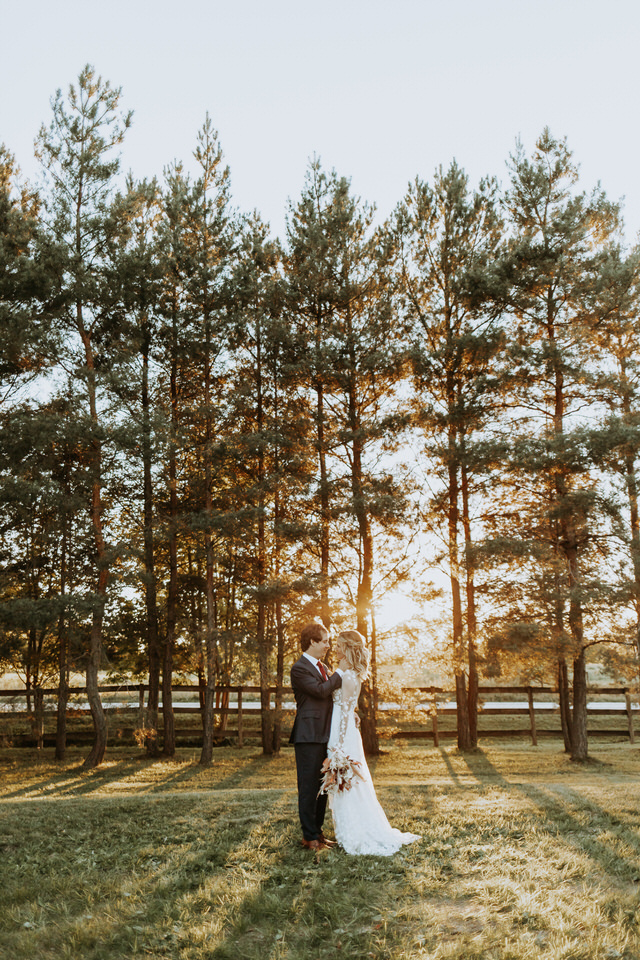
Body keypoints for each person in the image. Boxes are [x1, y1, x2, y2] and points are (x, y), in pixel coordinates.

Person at [321, 630, 421, 856]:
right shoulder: (348, 673)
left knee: (347, 779)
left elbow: (346, 711)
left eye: (338, 645)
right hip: (341, 728)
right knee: (347, 779)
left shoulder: (347, 676)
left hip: (342, 732)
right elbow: (349, 708)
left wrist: (338, 746)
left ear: (347, 648)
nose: (334, 649)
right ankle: (348, 828)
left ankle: (355, 832)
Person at [289, 622, 343, 851]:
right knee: (309, 787)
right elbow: (321, 691)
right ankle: (308, 837)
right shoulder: (299, 668)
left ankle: (318, 834)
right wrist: (341, 672)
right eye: (325, 641)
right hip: (308, 735)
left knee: (323, 786)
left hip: (326, 734)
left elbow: (331, 698)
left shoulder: (324, 667)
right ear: (312, 641)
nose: (328, 646)